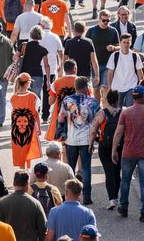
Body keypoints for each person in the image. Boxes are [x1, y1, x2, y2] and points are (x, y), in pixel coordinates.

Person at [112, 85, 144, 222]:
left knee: (125, 180)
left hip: (128, 152)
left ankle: (123, 207)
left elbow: (118, 133)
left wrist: (114, 150)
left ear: (133, 97)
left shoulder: (125, 113)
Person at [57, 76, 99, 204]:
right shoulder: (92, 101)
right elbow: (98, 119)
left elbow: (61, 117)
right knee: (86, 168)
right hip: (87, 139)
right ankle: (87, 197)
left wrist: (62, 128)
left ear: (75, 87)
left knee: (70, 168)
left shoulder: (67, 100)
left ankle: (69, 196)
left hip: (71, 139)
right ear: (86, 87)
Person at [0, 170, 47, 241]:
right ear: (27, 184)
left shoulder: (2, 202)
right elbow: (42, 229)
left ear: (14, 183)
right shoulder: (35, 203)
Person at [85, 11, 119, 103]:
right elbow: (86, 46)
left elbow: (119, 46)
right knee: (96, 89)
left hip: (108, 65)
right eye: (104, 20)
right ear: (99, 19)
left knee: (105, 88)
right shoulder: (91, 31)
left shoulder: (113, 31)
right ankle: (97, 108)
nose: (105, 22)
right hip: (94, 65)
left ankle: (105, 110)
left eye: (108, 20)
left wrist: (114, 48)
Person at [10, 73, 42, 169]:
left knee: (20, 149)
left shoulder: (13, 98)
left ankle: (22, 170)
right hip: (30, 128)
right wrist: (39, 128)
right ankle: (27, 169)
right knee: (28, 148)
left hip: (16, 129)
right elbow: (36, 115)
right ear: (27, 83)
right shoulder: (33, 97)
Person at [107, 34, 144, 108]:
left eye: (128, 42)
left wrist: (141, 86)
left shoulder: (135, 56)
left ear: (131, 43)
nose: (126, 44)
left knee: (130, 108)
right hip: (117, 87)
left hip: (131, 86)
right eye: (124, 42)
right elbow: (110, 73)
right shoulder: (114, 56)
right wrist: (109, 87)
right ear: (120, 43)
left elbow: (139, 71)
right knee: (117, 109)